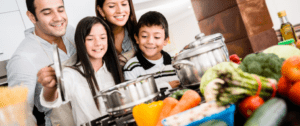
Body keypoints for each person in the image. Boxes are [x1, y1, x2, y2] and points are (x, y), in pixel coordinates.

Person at [40, 16, 124, 125]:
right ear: (81, 43)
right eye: (90, 39)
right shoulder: (71, 74)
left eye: (103, 38)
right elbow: (51, 100)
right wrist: (50, 87)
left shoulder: (116, 68)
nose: (98, 43)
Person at [6, 0, 75, 125]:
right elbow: (18, 118)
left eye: (60, 10)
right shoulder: (22, 59)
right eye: (47, 12)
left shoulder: (71, 32)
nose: (58, 18)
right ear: (32, 16)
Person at [123, 11, 180, 92]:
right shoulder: (131, 67)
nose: (150, 41)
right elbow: (133, 95)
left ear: (165, 40)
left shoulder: (175, 61)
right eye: (144, 36)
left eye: (157, 37)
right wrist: (166, 86)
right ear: (136, 38)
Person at [95, 0, 138, 67]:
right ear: (101, 11)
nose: (120, 10)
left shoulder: (141, 33)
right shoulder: (94, 41)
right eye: (112, 6)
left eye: (124, 4)